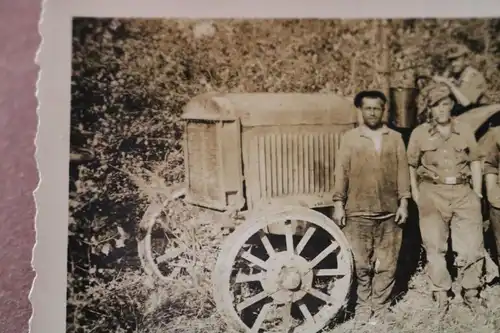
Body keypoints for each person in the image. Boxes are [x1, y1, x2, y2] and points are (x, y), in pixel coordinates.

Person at [407, 83, 487, 315]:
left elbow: (475, 161)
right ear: (429, 108)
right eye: (435, 105)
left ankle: (471, 292)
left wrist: (478, 192)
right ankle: (441, 294)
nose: (440, 110)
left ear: (451, 105)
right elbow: (411, 164)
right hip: (432, 194)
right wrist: (415, 192)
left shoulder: (464, 129)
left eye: (444, 104)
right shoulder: (419, 133)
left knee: (471, 246)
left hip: (463, 193)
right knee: (435, 247)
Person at [332, 90, 411, 321]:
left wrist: (404, 203)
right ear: (361, 110)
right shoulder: (350, 138)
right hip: (357, 211)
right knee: (360, 264)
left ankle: (381, 307)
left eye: (377, 108)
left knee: (387, 264)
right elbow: (341, 173)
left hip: (389, 211)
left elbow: (403, 173)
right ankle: (364, 307)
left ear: (383, 110)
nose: (373, 112)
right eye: (368, 108)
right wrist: (338, 203)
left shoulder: (394, 138)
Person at [433, 44, 489, 112]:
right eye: (451, 61)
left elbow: (466, 103)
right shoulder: (453, 74)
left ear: (466, 60)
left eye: (456, 60)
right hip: (464, 112)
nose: (453, 64)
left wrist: (448, 84)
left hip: (480, 114)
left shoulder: (473, 76)